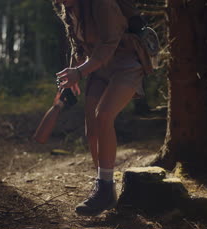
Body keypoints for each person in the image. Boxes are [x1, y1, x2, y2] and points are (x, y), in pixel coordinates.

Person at [53, 0, 152, 216]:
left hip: (126, 62)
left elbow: (109, 41)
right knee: (93, 131)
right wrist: (73, 71)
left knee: (104, 115)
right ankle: (104, 186)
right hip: (99, 67)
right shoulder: (68, 9)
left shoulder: (101, 3)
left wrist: (80, 72)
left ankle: (105, 191)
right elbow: (78, 43)